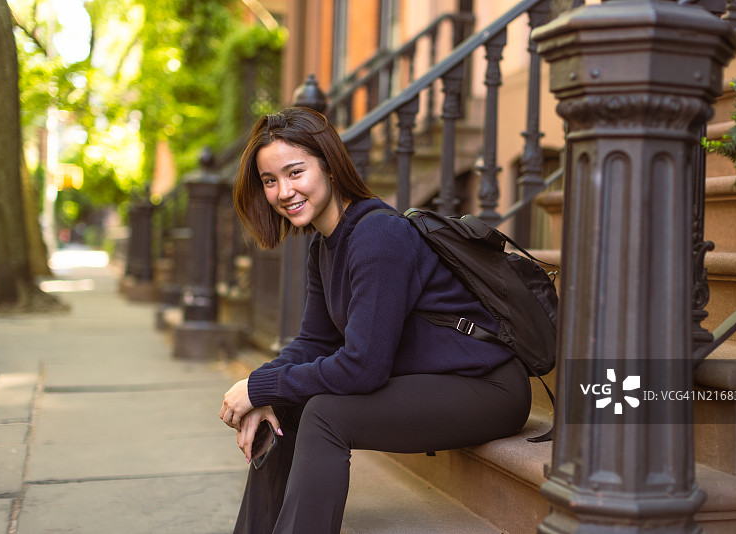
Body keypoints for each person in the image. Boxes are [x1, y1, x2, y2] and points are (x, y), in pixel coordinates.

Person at [219, 107, 531, 533]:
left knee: (325, 413)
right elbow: (313, 341)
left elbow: (362, 368)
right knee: (286, 406)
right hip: (434, 382)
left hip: (488, 387)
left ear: (329, 166)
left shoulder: (378, 235)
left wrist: (256, 387)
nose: (283, 191)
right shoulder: (324, 247)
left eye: (295, 172)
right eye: (270, 180)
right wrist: (262, 388)